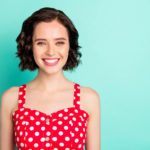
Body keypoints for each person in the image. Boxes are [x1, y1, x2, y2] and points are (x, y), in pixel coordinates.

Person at [0, 7, 100, 150]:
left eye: (59, 42)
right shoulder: (11, 98)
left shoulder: (89, 98)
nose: (51, 51)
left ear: (69, 46)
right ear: (30, 46)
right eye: (41, 43)